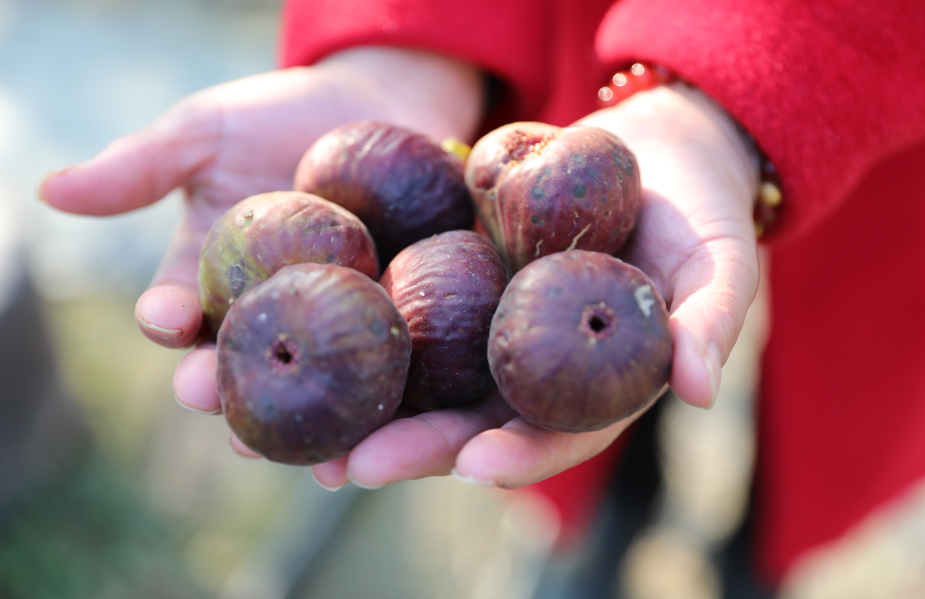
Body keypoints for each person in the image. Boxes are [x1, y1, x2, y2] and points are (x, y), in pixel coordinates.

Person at [37, 0, 925, 590]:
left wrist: (732, 87)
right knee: (619, 362)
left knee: (829, 396)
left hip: (871, 112)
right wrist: (407, 29)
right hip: (580, 86)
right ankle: (610, 513)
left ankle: (754, 559)